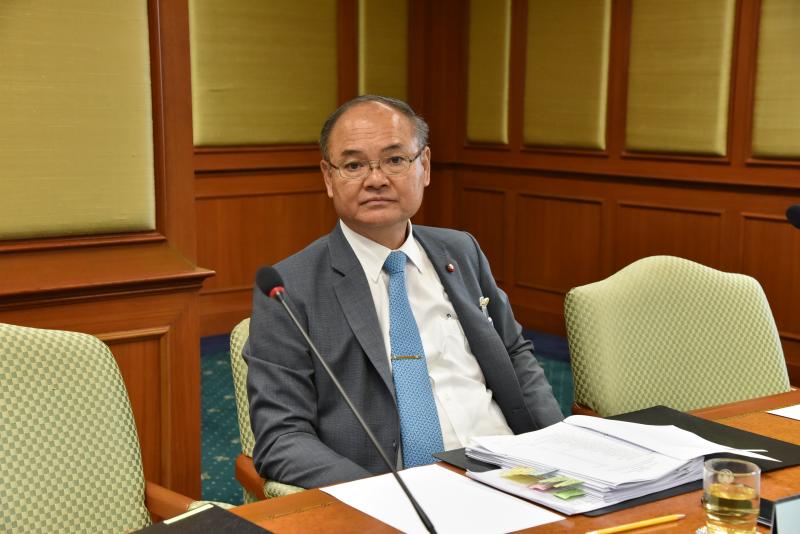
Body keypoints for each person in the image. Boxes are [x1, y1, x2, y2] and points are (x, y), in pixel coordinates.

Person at [245, 94, 563, 489]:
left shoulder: (461, 250)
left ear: (424, 166)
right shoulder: (290, 288)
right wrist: (381, 499)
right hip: (398, 492)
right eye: (354, 165)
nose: (376, 179)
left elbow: (514, 354)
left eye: (395, 160)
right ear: (328, 177)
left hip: (514, 470)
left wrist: (558, 448)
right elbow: (281, 438)